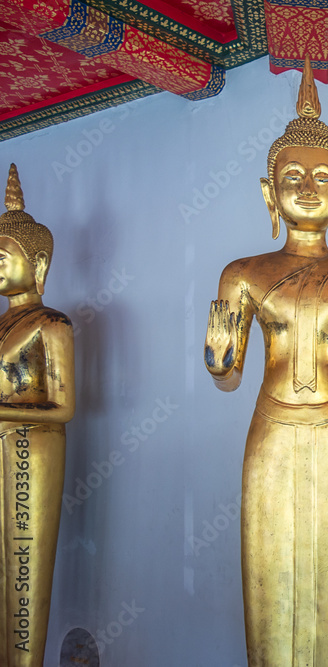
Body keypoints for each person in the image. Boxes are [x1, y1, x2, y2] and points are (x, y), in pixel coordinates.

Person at [204, 61, 328, 666]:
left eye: (323, 176)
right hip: (271, 427)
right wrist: (217, 355)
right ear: (269, 192)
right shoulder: (242, 275)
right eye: (293, 175)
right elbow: (229, 376)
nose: (309, 185)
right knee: (268, 569)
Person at [0, 164, 75, 667]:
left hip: (32, 448)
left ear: (39, 261)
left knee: (23, 564)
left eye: (3, 256)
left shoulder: (51, 323)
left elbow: (65, 406)